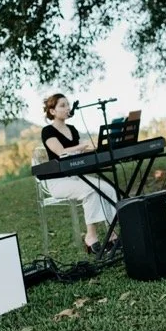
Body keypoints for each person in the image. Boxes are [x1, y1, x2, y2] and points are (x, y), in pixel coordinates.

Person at [41, 93, 118, 254]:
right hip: (58, 181)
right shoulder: (47, 131)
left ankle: (112, 234)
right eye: (62, 105)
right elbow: (61, 152)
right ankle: (91, 237)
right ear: (52, 111)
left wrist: (96, 148)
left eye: (68, 104)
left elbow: (79, 153)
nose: (68, 108)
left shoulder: (73, 130)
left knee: (108, 188)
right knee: (91, 190)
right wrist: (82, 146)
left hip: (76, 176)